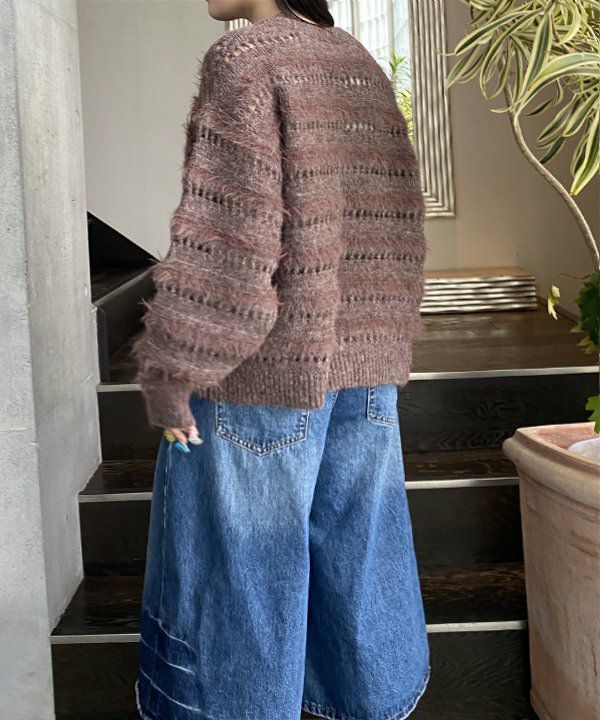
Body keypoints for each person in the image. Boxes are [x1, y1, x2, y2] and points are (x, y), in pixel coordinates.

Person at [132, 1, 430, 719]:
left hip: (260, 381)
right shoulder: (356, 60)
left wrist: (172, 371)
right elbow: (395, 217)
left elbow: (231, 240)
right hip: (365, 374)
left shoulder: (245, 60)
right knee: (360, 560)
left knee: (239, 579)